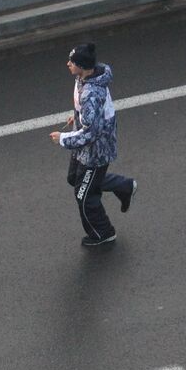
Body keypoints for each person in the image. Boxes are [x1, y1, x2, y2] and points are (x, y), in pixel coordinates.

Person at [49, 43, 138, 248]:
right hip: (85, 147)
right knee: (75, 179)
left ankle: (103, 233)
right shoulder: (84, 78)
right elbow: (90, 114)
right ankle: (123, 186)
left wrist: (63, 139)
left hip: (96, 151)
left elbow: (91, 132)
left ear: (83, 65)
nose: (68, 64)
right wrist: (77, 116)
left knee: (84, 195)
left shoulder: (92, 92)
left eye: (72, 62)